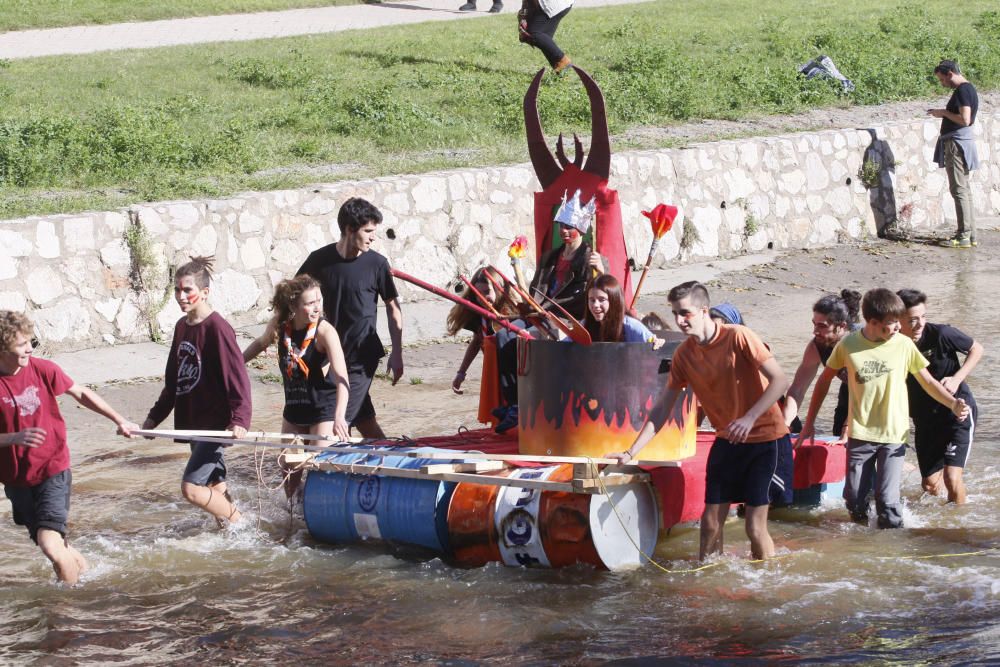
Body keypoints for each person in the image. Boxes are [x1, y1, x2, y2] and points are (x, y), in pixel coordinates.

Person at [607, 281, 791, 561]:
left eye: (685, 313)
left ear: (704, 311)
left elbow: (780, 380)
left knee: (754, 527)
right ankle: (707, 581)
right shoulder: (684, 354)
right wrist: (631, 451)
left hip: (766, 440)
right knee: (709, 524)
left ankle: (763, 588)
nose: (679, 321)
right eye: (675, 313)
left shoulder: (739, 336)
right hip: (727, 441)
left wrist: (749, 418)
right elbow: (662, 409)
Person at [797, 289, 970, 529]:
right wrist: (808, 423)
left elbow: (928, 382)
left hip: (894, 435)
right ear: (873, 322)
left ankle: (892, 551)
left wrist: (952, 403)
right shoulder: (848, 345)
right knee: (854, 499)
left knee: (887, 503)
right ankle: (862, 545)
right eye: (892, 324)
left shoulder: (904, 345)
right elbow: (824, 381)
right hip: (861, 435)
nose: (899, 328)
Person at [0, 312, 137, 585]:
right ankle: (86, 579)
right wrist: (13, 438)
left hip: (53, 470)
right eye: (21, 344)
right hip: (17, 481)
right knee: (55, 546)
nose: (29, 349)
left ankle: (68, 611)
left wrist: (120, 420)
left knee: (50, 546)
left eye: (31, 341)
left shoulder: (43, 369)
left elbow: (81, 393)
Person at [143, 256, 252, 528]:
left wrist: (240, 420)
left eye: (187, 290)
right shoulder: (182, 327)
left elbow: (237, 377)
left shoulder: (218, 328)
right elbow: (174, 380)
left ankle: (241, 525)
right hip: (193, 420)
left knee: (191, 488)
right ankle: (236, 537)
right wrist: (154, 418)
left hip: (214, 426)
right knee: (215, 484)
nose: (181, 296)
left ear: (204, 292)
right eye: (178, 290)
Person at [297, 197, 404, 438]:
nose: (373, 237)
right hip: (328, 356)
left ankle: (326, 469)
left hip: (360, 359)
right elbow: (293, 295)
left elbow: (393, 308)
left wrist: (397, 353)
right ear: (349, 229)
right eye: (368, 231)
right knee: (364, 422)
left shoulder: (377, 264)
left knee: (335, 423)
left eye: (373, 231)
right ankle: (386, 455)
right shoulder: (319, 260)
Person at [897, 289, 982, 504]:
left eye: (923, 317)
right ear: (897, 319)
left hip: (958, 412)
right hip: (925, 419)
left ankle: (957, 528)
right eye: (913, 320)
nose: (920, 324)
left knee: (951, 478)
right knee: (930, 485)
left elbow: (977, 349)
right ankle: (947, 512)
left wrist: (956, 378)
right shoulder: (893, 345)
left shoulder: (941, 334)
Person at [243, 275, 351, 441]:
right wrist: (235, 363)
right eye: (310, 304)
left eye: (319, 301)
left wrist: (339, 416)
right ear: (293, 306)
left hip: (322, 410)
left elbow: (342, 377)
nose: (317, 308)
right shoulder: (279, 326)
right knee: (288, 465)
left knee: (317, 462)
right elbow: (260, 344)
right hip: (294, 409)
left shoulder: (325, 332)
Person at [446, 267, 521, 427]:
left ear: (499, 289)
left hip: (514, 376)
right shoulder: (480, 316)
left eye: (487, 291)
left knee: (513, 405)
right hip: (494, 371)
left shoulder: (512, 314)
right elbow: (476, 342)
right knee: (498, 411)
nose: (483, 298)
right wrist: (461, 372)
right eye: (478, 294)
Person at [783, 290, 862, 439]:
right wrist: (785, 422)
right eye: (814, 324)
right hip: (850, 391)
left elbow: (868, 393)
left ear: (842, 326)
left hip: (881, 392)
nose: (815, 332)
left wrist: (848, 426)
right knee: (839, 437)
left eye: (822, 326)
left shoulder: (861, 344)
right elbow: (798, 389)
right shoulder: (817, 346)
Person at [527, 190, 605, 322]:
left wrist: (601, 272)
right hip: (539, 313)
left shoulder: (592, 259)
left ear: (581, 228)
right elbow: (534, 289)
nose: (563, 230)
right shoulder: (549, 258)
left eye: (569, 226)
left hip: (567, 319)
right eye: (561, 225)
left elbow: (604, 292)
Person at [928, 59, 980, 248]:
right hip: (962, 142)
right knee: (964, 190)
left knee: (958, 190)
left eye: (942, 80)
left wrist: (943, 113)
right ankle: (970, 235)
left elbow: (965, 119)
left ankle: (963, 235)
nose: (942, 84)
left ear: (950, 73)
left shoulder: (963, 91)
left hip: (956, 144)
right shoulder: (969, 89)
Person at [583, 274, 660, 345]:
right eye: (592, 300)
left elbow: (653, 347)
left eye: (602, 300)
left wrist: (656, 343)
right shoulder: (583, 326)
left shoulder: (631, 326)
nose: (595, 305)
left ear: (614, 301)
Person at [518, 0, 573, 73]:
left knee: (535, 33)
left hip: (553, 4)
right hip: (563, 4)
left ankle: (563, 60)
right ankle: (560, 70)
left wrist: (524, 13)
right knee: (544, 37)